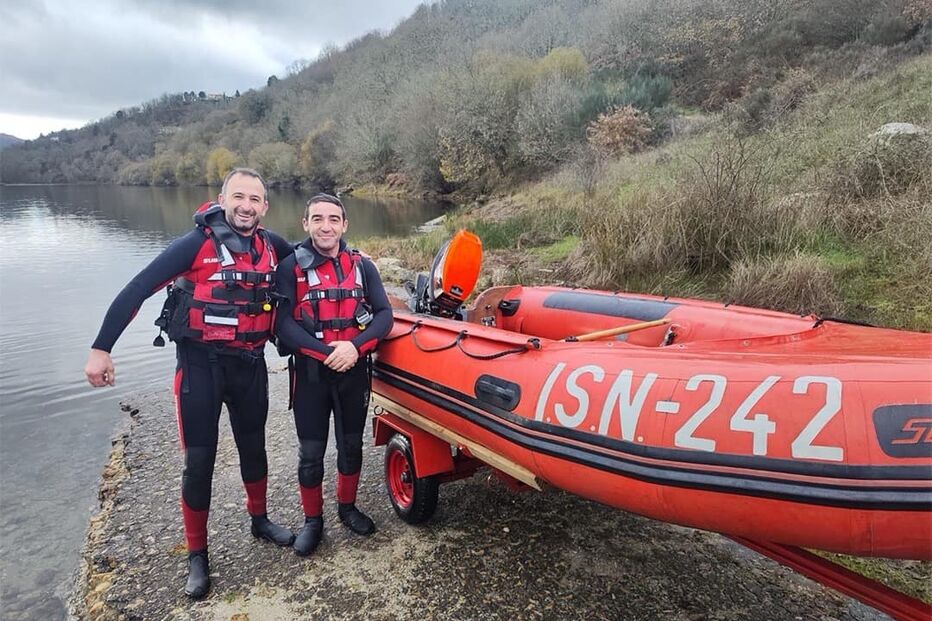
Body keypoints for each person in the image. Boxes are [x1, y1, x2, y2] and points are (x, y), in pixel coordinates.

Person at [84, 168, 296, 599]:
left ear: (265, 207)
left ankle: (259, 520)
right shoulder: (195, 245)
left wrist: (357, 263)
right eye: (238, 196)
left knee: (254, 447)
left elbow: (312, 266)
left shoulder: (274, 247)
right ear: (222, 199)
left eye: (255, 199)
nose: (246, 206)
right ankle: (197, 555)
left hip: (251, 365)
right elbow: (139, 287)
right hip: (201, 369)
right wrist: (101, 348)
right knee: (199, 463)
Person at [274, 193, 393, 556]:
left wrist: (355, 347)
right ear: (305, 224)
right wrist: (329, 354)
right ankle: (313, 520)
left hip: (353, 372)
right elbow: (283, 325)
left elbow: (385, 316)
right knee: (311, 454)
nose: (326, 226)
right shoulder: (290, 267)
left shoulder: (363, 266)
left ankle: (347, 507)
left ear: (345, 225)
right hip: (311, 374)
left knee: (351, 445)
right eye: (318, 219)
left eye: (333, 219)